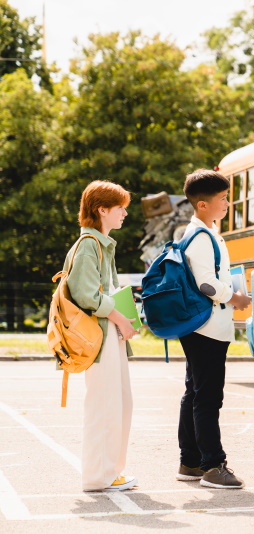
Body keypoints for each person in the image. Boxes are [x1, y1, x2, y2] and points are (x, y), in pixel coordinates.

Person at [176, 169, 252, 489]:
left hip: (202, 325)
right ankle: (212, 465)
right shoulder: (202, 237)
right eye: (222, 199)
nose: (228, 204)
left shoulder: (207, 232)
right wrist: (234, 297)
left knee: (195, 392)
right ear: (202, 205)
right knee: (207, 397)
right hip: (206, 326)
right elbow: (206, 283)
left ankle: (190, 461)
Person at [67, 180, 139, 491]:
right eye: (120, 208)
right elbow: (86, 295)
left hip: (107, 333)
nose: (124, 213)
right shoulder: (89, 245)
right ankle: (98, 476)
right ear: (102, 210)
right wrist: (121, 318)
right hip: (99, 335)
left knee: (118, 403)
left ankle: (109, 472)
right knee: (105, 405)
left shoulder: (99, 243)